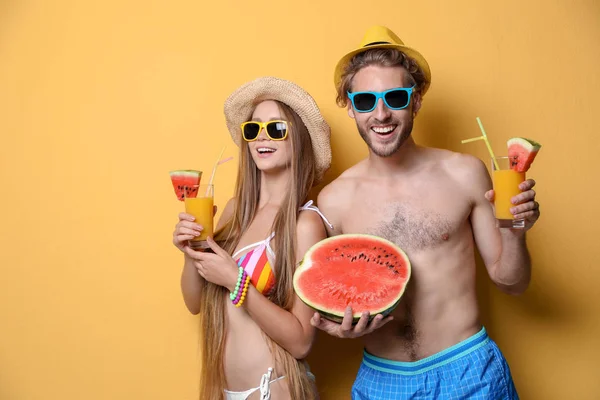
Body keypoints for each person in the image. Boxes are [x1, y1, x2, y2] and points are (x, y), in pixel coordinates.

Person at [312, 26, 540, 399]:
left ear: (415, 101)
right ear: (351, 107)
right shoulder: (334, 200)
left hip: (468, 371)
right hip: (381, 380)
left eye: (395, 97)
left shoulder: (464, 173)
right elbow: (328, 302)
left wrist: (515, 232)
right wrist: (336, 327)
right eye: (366, 101)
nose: (381, 114)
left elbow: (511, 282)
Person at [172, 76, 333, 399]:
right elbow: (194, 304)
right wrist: (190, 253)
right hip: (225, 390)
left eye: (276, 129)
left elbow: (301, 340)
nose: (262, 137)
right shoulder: (233, 213)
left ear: (298, 140)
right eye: (253, 129)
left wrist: (237, 281)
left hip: (275, 390)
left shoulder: (305, 224)